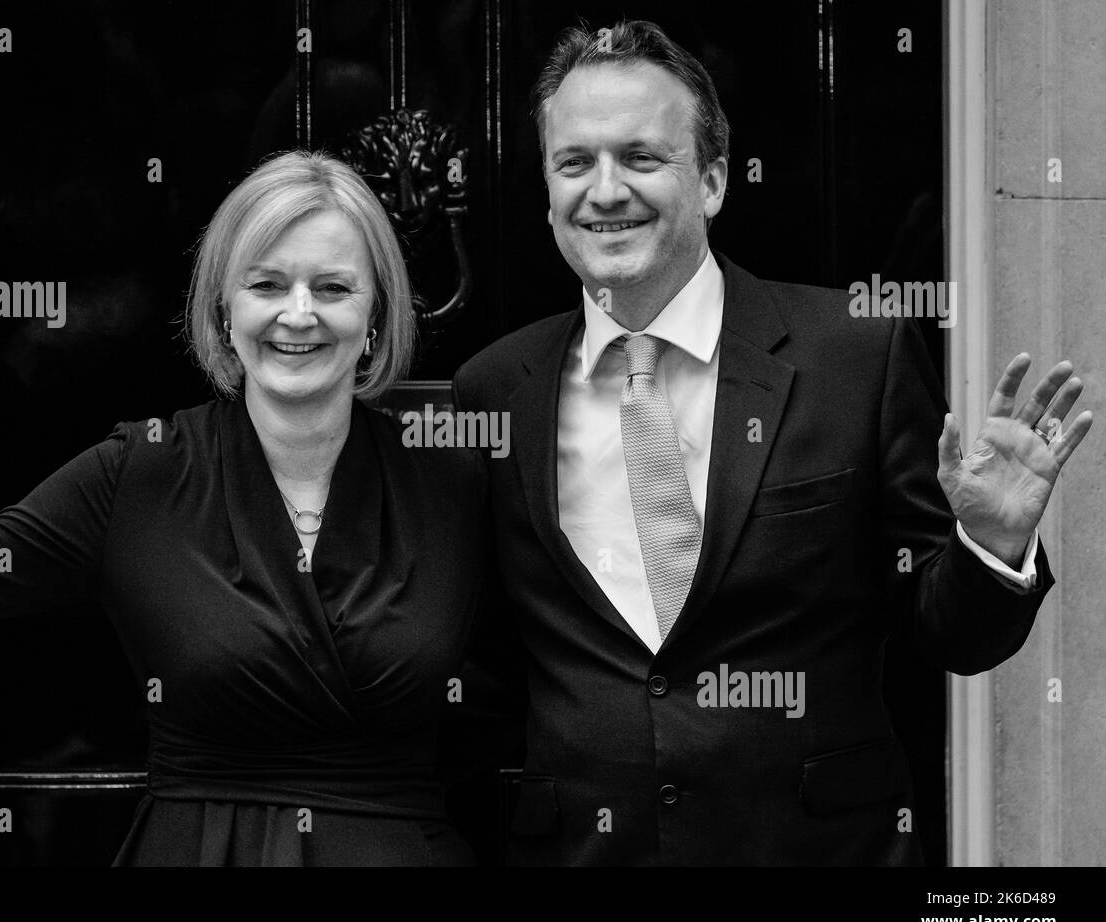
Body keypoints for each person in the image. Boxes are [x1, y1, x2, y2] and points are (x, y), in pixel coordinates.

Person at [452, 20, 1093, 865]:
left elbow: (948, 640)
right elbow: (482, 671)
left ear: (714, 180)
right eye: (575, 163)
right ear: (547, 190)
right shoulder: (495, 390)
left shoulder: (854, 355)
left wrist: (990, 543)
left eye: (642, 158)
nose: (604, 191)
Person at [0, 150, 488, 866]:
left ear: (376, 314)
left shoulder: (451, 480)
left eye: (332, 287)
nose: (299, 313)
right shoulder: (142, 471)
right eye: (267, 284)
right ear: (224, 311)